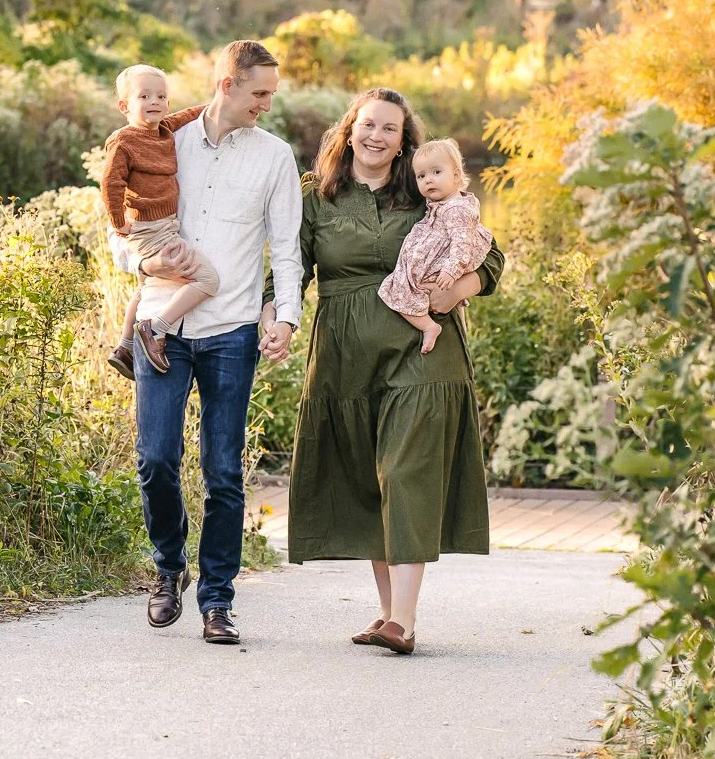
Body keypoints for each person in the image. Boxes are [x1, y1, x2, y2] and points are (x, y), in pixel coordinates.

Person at [279, 89, 504, 655]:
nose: (377, 136)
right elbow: (289, 266)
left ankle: (403, 620)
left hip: (422, 351)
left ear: (406, 140)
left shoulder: (427, 192)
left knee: (404, 471)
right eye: (368, 125)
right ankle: (387, 613)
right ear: (349, 129)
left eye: (391, 129)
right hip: (344, 356)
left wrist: (456, 292)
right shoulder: (317, 196)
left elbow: (489, 255)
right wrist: (276, 318)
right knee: (367, 475)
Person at [109, 40, 302, 647]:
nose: (267, 105)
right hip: (160, 321)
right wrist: (136, 266)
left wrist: (286, 319)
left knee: (224, 471)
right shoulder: (165, 140)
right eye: (259, 93)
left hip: (234, 328)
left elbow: (287, 249)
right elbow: (125, 222)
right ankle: (169, 566)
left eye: (271, 94)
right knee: (155, 459)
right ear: (227, 84)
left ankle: (217, 600)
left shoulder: (275, 158)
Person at [102, 64, 222, 378]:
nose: (155, 101)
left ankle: (126, 347)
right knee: (208, 281)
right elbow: (111, 183)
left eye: (161, 96)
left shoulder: (165, 129)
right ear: (125, 106)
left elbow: (191, 114)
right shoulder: (124, 142)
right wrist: (118, 222)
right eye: (144, 96)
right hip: (149, 229)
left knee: (148, 289)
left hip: (165, 224)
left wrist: (218, 103)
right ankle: (155, 330)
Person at [378, 139, 494, 355]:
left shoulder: (455, 209)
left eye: (436, 172)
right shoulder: (443, 205)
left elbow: (462, 243)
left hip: (445, 268)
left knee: (397, 287)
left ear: (457, 175)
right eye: (421, 176)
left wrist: (452, 270)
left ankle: (429, 326)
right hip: (441, 264)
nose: (428, 180)